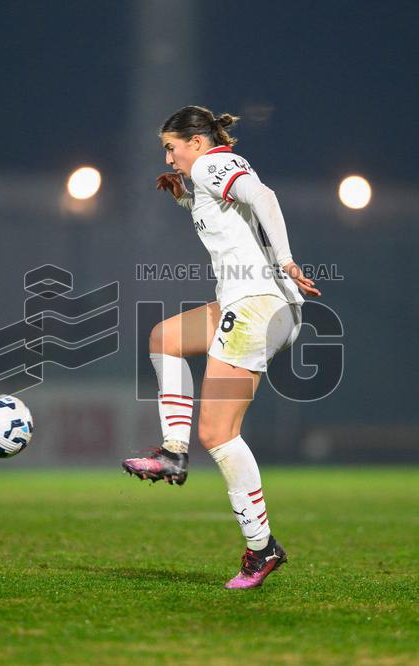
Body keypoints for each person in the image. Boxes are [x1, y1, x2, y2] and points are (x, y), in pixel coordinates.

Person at [122, 105, 321, 589]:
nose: (168, 159)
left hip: (258, 303)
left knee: (217, 433)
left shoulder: (214, 163)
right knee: (164, 339)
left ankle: (261, 547)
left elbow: (265, 197)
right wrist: (187, 200)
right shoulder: (209, 175)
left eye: (172, 148)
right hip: (249, 300)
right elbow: (237, 220)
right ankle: (173, 452)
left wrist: (289, 261)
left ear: (196, 142)